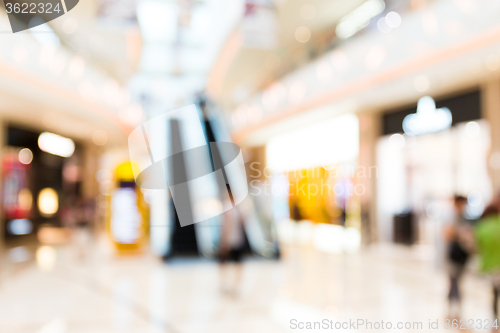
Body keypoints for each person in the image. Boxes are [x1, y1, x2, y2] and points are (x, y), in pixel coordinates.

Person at [443, 195, 473, 319]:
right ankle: (451, 308)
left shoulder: (465, 219)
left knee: (458, 282)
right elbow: (446, 234)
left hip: (462, 255)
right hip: (452, 255)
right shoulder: (450, 217)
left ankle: (457, 308)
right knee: (452, 281)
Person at [218, 185, 247, 297]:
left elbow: (226, 227)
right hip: (238, 240)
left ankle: (225, 284)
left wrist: (224, 241)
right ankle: (236, 285)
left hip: (229, 241)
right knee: (237, 264)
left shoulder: (226, 207)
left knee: (224, 263)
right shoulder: (239, 208)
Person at [475, 203, 500, 324]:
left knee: (495, 293)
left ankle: (495, 317)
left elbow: (477, 248)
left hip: (490, 266)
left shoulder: (482, 227)